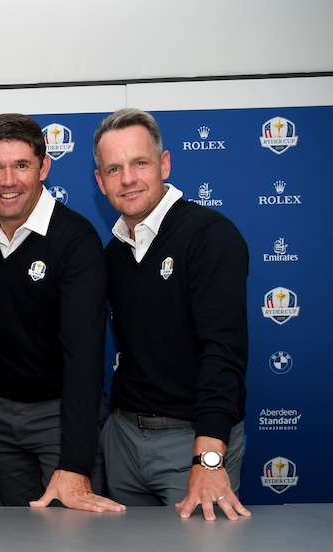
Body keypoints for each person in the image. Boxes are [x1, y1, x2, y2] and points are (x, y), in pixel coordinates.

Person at [93, 108, 251, 521]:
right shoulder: (113, 252)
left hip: (192, 445)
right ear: (100, 181)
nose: (127, 179)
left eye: (139, 163)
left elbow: (224, 353)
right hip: (123, 441)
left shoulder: (210, 235)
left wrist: (209, 461)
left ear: (164, 164)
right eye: (114, 168)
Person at [0, 114, 124, 513]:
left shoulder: (76, 240)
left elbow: (84, 355)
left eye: (21, 165)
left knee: (72, 542)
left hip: (60, 418)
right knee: (11, 543)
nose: (8, 180)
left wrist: (74, 461)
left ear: (44, 167)